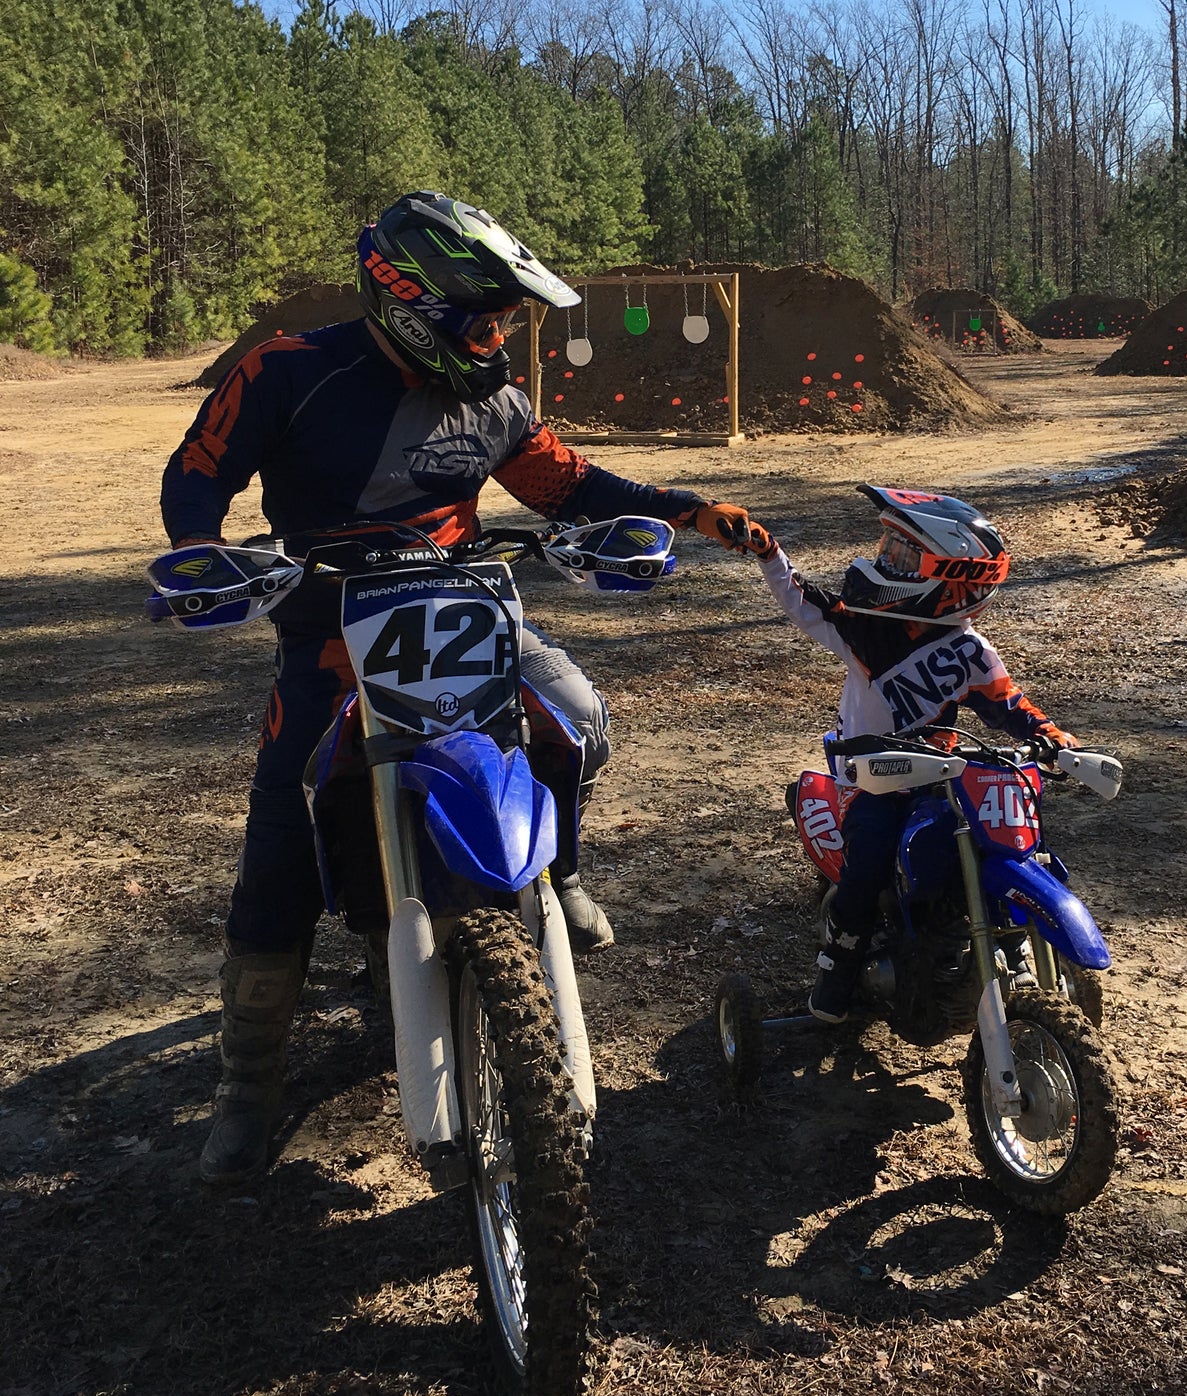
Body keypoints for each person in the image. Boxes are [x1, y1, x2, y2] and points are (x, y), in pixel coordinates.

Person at [162, 191, 750, 1184]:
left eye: (506, 321)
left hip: (470, 610)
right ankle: (248, 1081)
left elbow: (569, 485)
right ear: (411, 303)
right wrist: (200, 550)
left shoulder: (493, 397)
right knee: (282, 844)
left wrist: (688, 507)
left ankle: (557, 871)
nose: (498, 338)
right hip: (334, 631)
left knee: (579, 720)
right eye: (485, 320)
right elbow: (199, 469)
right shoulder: (286, 370)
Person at [701, 486, 1077, 1023]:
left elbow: (1008, 705)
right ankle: (839, 964)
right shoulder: (867, 629)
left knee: (1004, 842)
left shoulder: (969, 650)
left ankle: (1002, 936)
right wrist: (768, 551)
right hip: (870, 778)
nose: (885, 561)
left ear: (949, 580)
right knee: (869, 861)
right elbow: (804, 602)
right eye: (890, 549)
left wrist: (1051, 736)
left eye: (901, 556)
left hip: (941, 778)